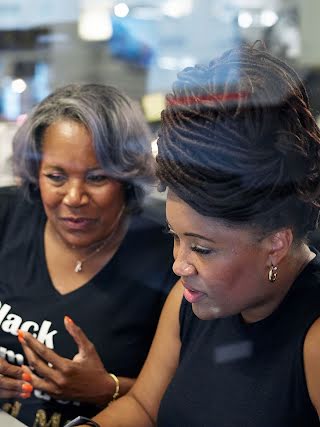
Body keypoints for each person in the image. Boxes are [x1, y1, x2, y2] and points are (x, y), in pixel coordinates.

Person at [67, 45, 320, 427]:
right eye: (175, 237)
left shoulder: (314, 341)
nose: (179, 265)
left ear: (275, 245)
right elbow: (144, 408)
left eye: (202, 248)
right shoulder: (189, 300)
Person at [0, 84, 177, 427]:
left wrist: (107, 388)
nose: (74, 197)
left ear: (127, 177)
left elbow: (193, 395)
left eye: (97, 178)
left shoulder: (170, 254)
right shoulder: (8, 214)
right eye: (56, 176)